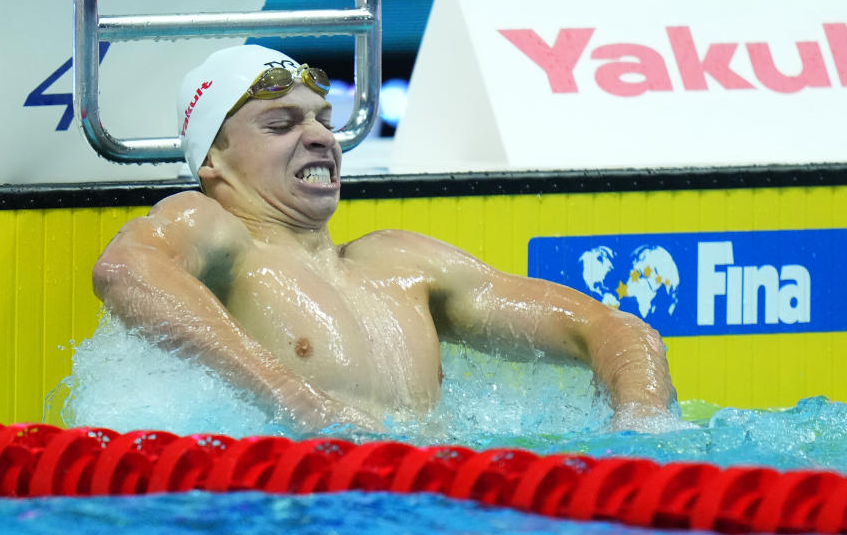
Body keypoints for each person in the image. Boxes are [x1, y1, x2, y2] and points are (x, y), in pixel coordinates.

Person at [93, 45, 677, 433]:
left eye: (323, 118)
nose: (321, 136)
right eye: (282, 124)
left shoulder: (401, 262)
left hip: (423, 511)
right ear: (213, 160)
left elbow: (612, 328)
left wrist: (641, 430)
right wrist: (289, 396)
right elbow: (126, 271)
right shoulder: (215, 230)